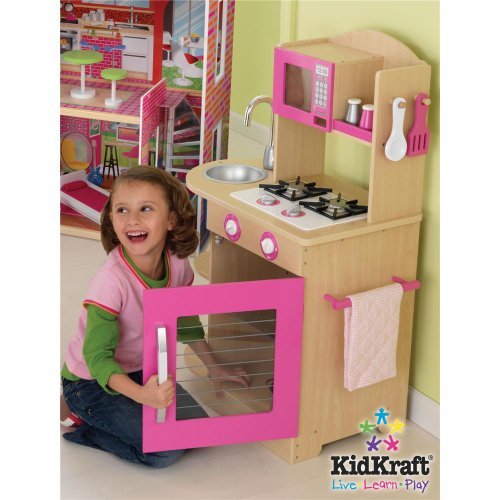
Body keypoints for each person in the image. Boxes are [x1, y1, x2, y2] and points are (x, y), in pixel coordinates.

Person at [61, 166, 250, 468]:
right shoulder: (110, 282)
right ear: (111, 219)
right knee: (165, 452)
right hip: (91, 381)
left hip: (143, 369)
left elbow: (185, 321)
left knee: (198, 432)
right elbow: (97, 358)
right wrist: (142, 395)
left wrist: (213, 367)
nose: (132, 220)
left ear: (171, 219)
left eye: (146, 209)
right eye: (122, 210)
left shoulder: (178, 264)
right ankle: (84, 422)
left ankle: (120, 410)